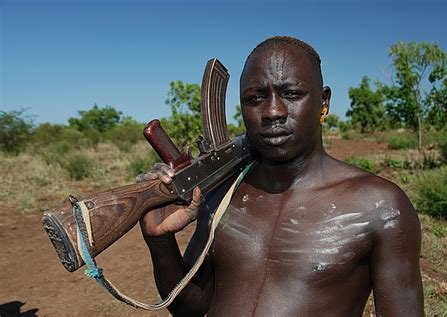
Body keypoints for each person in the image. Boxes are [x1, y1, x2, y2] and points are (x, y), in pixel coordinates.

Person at [137, 36, 424, 316]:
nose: (273, 111)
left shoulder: (381, 206)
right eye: (255, 98)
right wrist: (160, 242)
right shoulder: (222, 194)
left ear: (323, 102)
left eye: (292, 94)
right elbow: (190, 306)